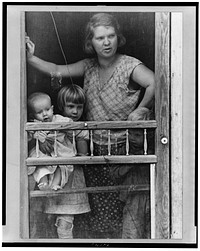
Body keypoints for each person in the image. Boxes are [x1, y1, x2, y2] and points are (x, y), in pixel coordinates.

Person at [26, 13, 155, 238]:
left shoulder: (129, 65)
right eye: (100, 38)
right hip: (94, 148)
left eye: (111, 36)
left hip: (124, 148)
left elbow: (156, 82)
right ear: (90, 42)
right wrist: (30, 58)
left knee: (129, 206)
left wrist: (141, 108)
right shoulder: (89, 66)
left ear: (118, 37)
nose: (106, 42)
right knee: (100, 205)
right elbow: (57, 68)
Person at [28, 86, 91, 239]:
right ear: (61, 107)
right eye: (71, 106)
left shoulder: (67, 123)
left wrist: (83, 154)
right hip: (49, 169)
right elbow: (31, 134)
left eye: (79, 107)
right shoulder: (45, 123)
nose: (75, 111)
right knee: (46, 218)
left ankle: (66, 244)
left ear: (52, 108)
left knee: (66, 219)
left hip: (70, 173)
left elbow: (81, 136)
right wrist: (38, 137)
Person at [110, 107, 154, 239]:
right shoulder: (125, 149)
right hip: (132, 197)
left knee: (151, 231)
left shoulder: (154, 149)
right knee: (131, 232)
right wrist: (131, 162)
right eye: (130, 133)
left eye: (137, 135)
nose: (132, 138)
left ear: (149, 134)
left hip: (151, 195)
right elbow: (114, 174)